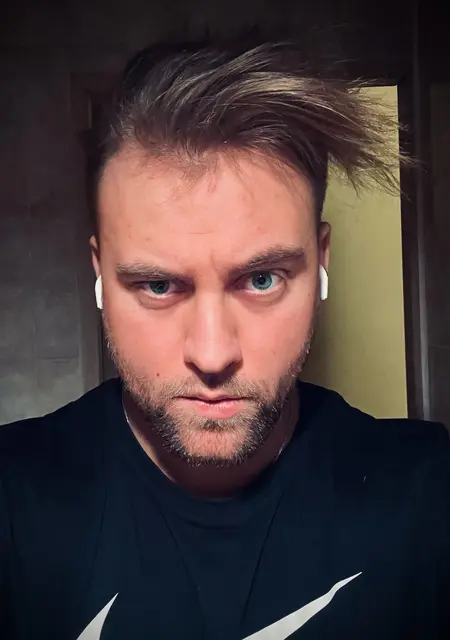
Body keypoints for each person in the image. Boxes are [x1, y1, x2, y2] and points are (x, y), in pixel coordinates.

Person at [1, 39, 449, 640]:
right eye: (158, 285)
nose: (212, 355)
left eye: (261, 280)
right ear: (99, 274)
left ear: (321, 262)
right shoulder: (13, 501)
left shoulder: (426, 496)